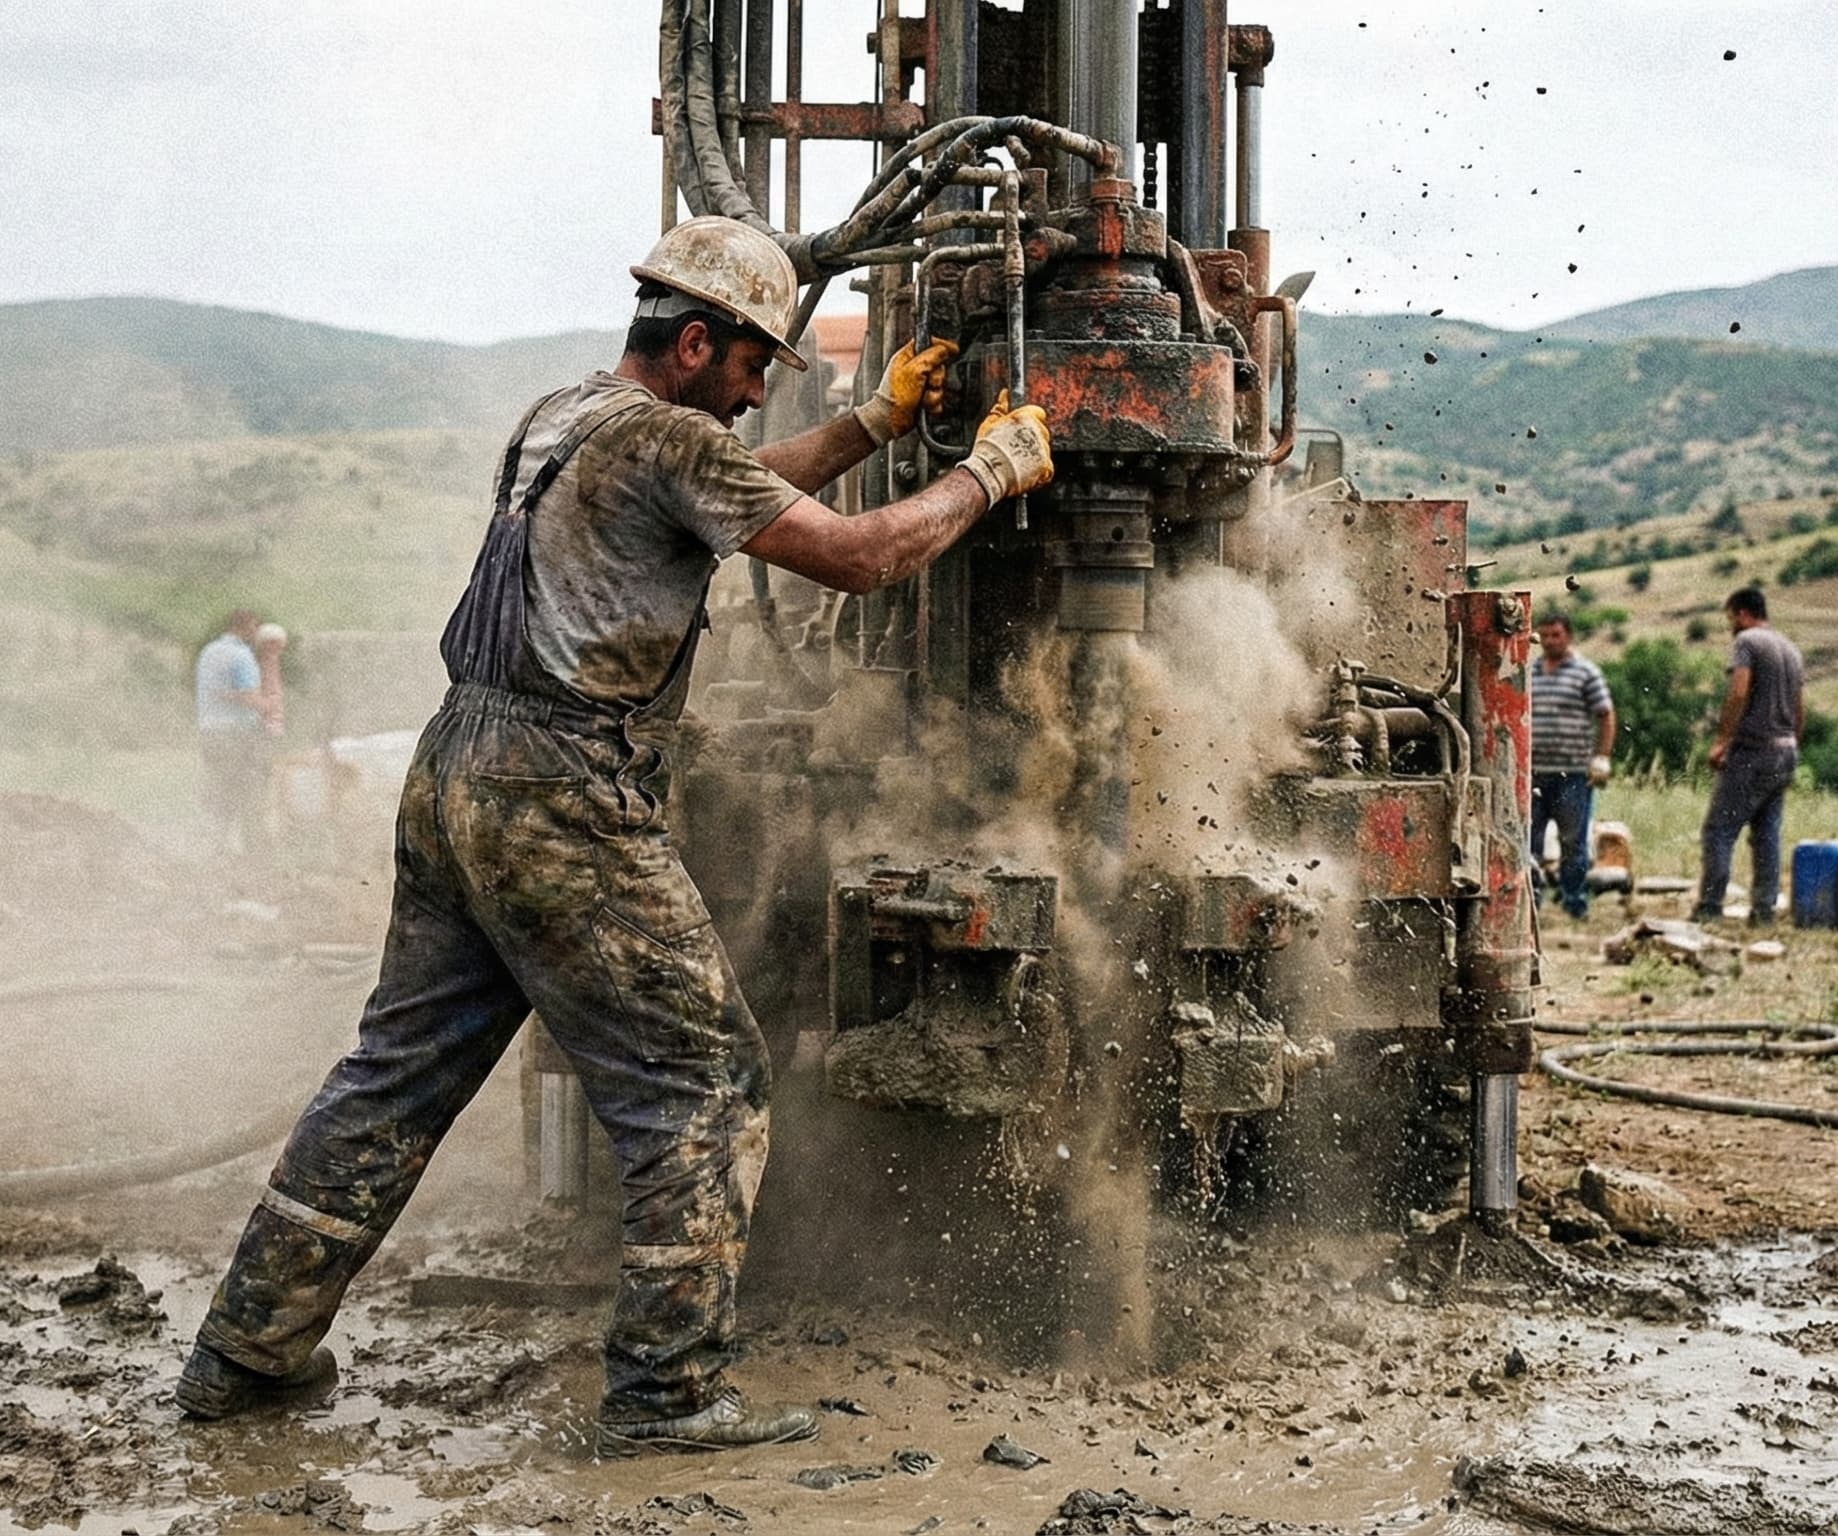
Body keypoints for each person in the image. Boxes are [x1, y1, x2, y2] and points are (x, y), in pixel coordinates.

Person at [173, 216, 1054, 1454]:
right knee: (707, 1085)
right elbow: (857, 560)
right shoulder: (668, 440)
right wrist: (987, 474)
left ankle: (244, 1350)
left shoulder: (565, 415)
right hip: (560, 791)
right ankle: (665, 1392)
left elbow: (721, 492)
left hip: (452, 770)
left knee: (395, 1073)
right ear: (694, 344)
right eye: (748, 369)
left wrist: (870, 425)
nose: (752, 397)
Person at [1692, 587, 1803, 927]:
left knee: (1719, 830)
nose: (1730, 626)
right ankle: (1764, 911)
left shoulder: (1747, 642)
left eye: (1730, 618)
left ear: (1742, 613)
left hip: (1753, 751)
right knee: (1767, 834)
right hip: (1785, 749)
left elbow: (1739, 690)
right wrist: (1792, 743)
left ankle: (1710, 906)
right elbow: (1799, 706)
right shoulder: (1790, 648)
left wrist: (1722, 740)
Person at [1529, 612, 1616, 920]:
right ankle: (1529, 903)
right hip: (1534, 772)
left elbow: (1605, 714)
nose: (1550, 641)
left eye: (1556, 635)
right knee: (1529, 840)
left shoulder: (1585, 672)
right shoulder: (1530, 672)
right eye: (1544, 635)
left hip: (1573, 773)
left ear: (1568, 636)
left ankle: (1574, 903)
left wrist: (1602, 757)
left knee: (1573, 842)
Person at [194, 608, 274, 857]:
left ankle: (216, 844)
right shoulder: (241, 655)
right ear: (246, 626)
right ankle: (253, 848)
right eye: (254, 626)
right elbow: (247, 695)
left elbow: (213, 689)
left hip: (209, 731)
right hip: (237, 734)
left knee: (219, 788)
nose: (256, 631)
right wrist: (267, 706)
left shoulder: (209, 652)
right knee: (250, 790)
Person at [252, 622, 289, 739]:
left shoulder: (272, 662)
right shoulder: (264, 663)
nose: (278, 649)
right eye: (275, 644)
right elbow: (268, 691)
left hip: (272, 713)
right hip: (265, 715)